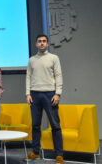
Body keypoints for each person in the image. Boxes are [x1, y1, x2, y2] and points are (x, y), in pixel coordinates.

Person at [25, 34, 64, 164]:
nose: (41, 43)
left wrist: (58, 93)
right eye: (39, 41)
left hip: (50, 95)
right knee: (35, 125)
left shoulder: (54, 58)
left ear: (47, 44)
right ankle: (35, 152)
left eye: (44, 41)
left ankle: (59, 155)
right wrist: (28, 94)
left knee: (55, 125)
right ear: (36, 44)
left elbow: (58, 75)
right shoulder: (31, 60)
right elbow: (28, 77)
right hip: (35, 95)